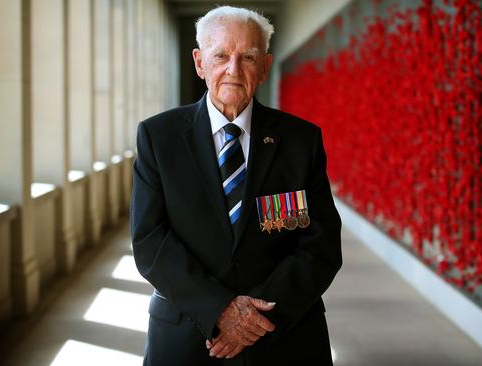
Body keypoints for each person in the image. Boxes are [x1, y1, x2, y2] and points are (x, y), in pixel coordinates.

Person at [131, 6, 342, 365]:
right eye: (221, 56)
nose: (233, 69)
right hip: (188, 336)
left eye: (247, 57)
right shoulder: (159, 137)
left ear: (265, 66)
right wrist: (220, 311)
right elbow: (150, 240)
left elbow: (319, 244)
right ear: (200, 62)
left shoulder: (300, 141)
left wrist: (255, 321)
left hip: (284, 338)